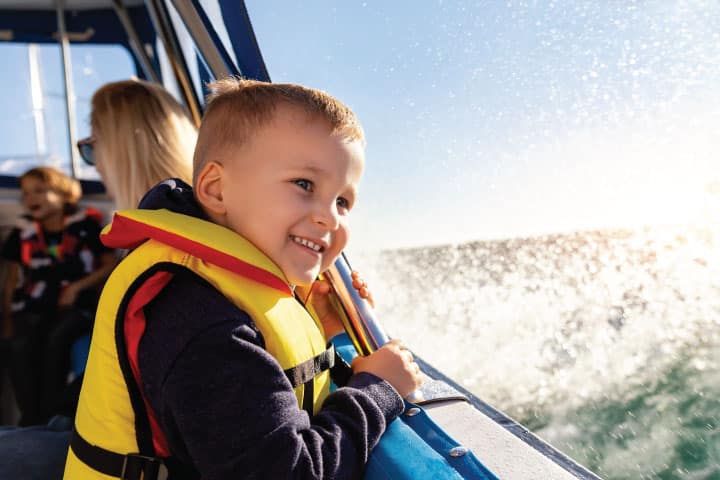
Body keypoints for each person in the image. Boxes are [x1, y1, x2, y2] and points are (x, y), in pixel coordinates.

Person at [66, 78, 424, 480]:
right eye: (304, 184)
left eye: (343, 201)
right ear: (216, 190)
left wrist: (316, 329)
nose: (330, 217)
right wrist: (377, 391)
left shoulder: (213, 298)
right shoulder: (199, 318)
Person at [0, 79, 198, 480]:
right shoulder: (166, 234)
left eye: (94, 149)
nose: (97, 165)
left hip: (132, 453)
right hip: (104, 421)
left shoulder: (166, 250)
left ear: (121, 150)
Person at [1, 166, 117, 426]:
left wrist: (76, 287)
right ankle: (30, 419)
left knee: (57, 337)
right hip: (32, 307)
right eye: (26, 193)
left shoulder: (85, 226)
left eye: (40, 191)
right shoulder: (22, 233)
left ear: (64, 194)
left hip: (76, 307)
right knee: (19, 345)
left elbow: (110, 264)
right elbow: (11, 281)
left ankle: (51, 417)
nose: (31, 198)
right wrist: (7, 321)